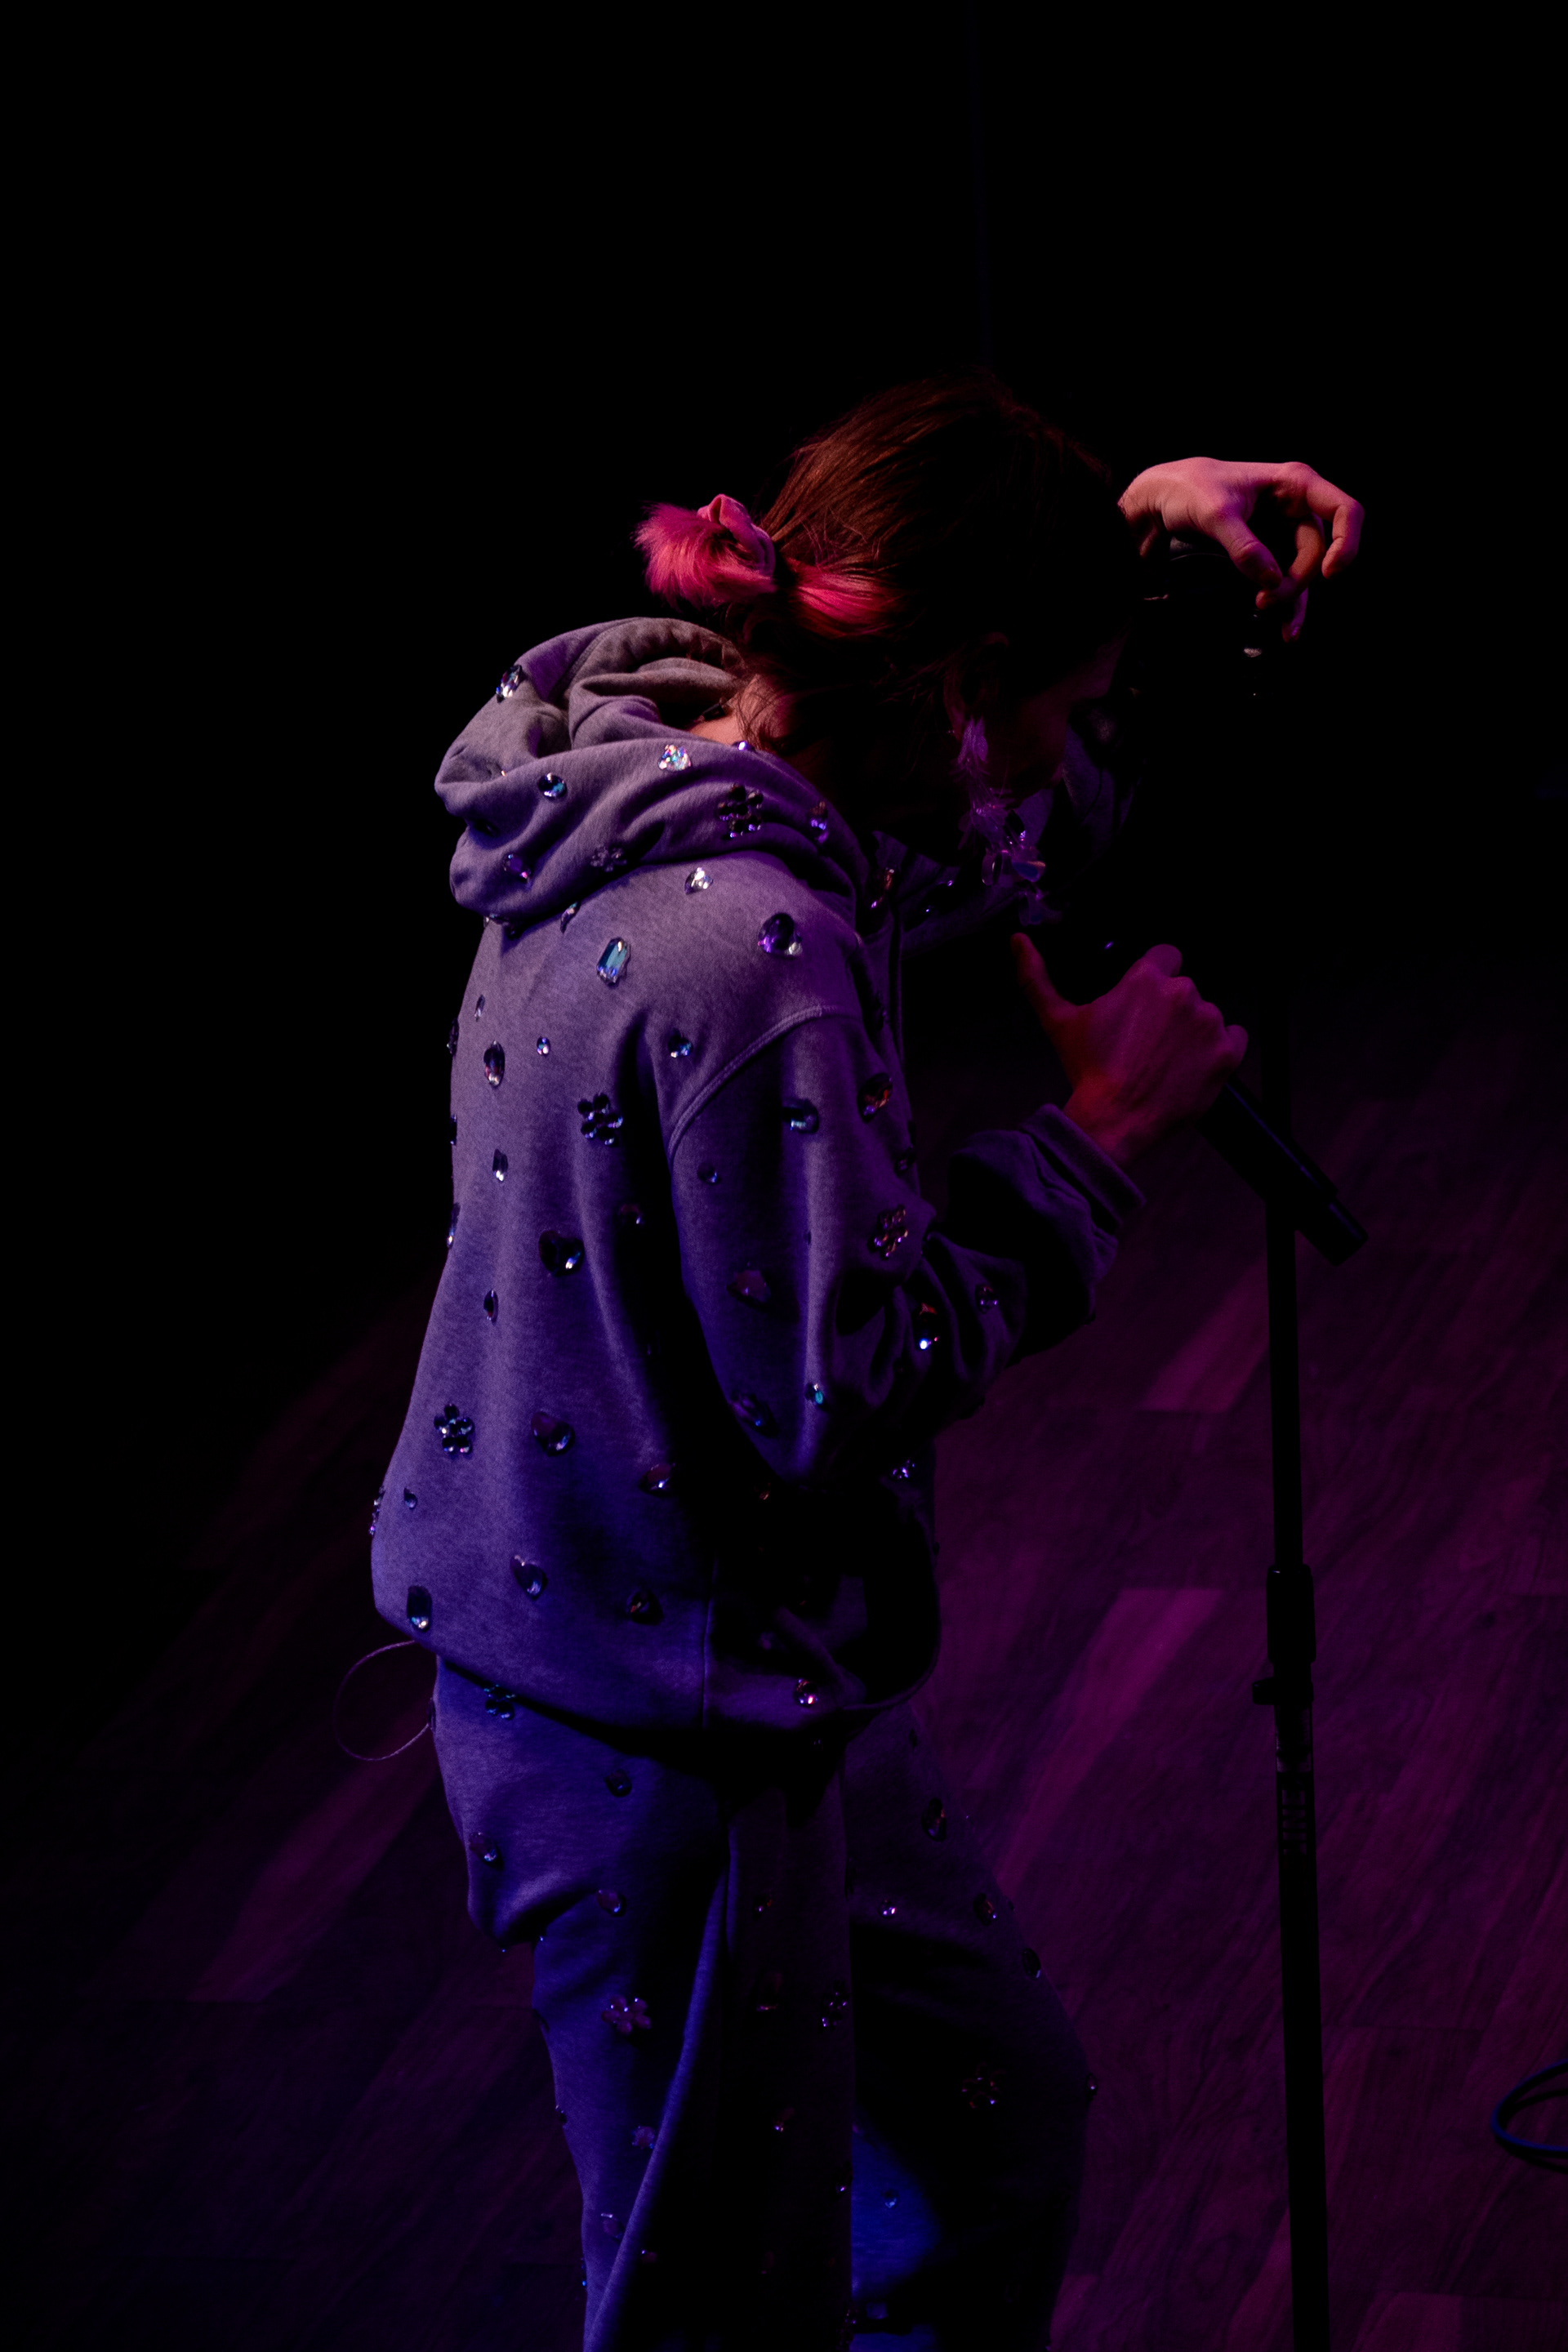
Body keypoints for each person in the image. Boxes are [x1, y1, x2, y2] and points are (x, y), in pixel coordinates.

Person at [370, 374, 1362, 2350]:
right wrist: (1100, 1142)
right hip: (654, 1733)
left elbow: (978, 834)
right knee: (721, 2299)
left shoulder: (667, 762)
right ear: (968, 686)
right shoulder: (759, 946)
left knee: (994, 2143)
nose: (1066, 757)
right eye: (1069, 705)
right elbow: (837, 1388)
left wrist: (1134, 543)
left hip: (737, 1667)